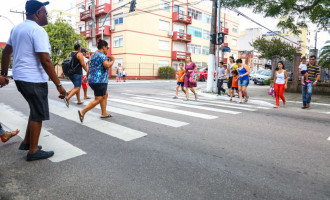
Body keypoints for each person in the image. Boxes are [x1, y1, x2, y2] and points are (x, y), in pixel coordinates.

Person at [1, 0, 67, 161]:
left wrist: (3, 73)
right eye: (45, 12)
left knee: (35, 109)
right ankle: (33, 151)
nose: (47, 16)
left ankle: (27, 142)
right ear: (38, 13)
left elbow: (6, 52)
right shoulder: (37, 31)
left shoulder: (16, 29)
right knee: (39, 114)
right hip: (33, 79)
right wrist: (59, 85)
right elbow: (45, 60)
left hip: (21, 77)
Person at [78, 40, 115, 123]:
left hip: (93, 79)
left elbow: (90, 67)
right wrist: (112, 60)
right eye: (107, 48)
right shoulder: (102, 55)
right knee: (99, 99)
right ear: (103, 47)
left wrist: (86, 77)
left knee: (105, 95)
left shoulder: (93, 54)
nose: (107, 49)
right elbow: (107, 65)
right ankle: (82, 112)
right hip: (100, 80)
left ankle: (104, 113)